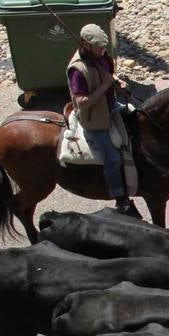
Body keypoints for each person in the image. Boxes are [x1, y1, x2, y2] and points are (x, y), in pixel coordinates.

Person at [68, 23, 137, 217]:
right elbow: (82, 102)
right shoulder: (77, 70)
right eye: (98, 46)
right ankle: (120, 199)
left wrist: (116, 81)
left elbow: (108, 74)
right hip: (94, 119)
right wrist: (106, 85)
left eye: (103, 45)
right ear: (85, 44)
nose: (102, 50)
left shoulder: (102, 56)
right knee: (112, 158)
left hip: (111, 107)